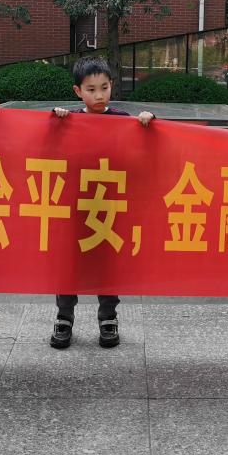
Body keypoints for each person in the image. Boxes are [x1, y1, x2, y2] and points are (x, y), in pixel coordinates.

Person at [48, 56, 153, 349]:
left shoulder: (122, 120)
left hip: (109, 204)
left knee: (108, 263)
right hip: (76, 205)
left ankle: (108, 317)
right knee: (69, 263)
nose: (98, 95)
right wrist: (55, 120)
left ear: (112, 86)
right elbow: (46, 144)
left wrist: (147, 121)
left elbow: (142, 148)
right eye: (91, 89)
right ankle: (64, 317)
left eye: (104, 88)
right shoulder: (68, 119)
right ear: (77, 91)